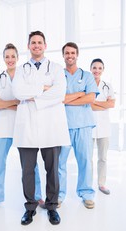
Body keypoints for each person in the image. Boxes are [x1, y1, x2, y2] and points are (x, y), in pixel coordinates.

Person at [13, 31, 70, 225]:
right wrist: (44, 88)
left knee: (52, 170)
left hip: (51, 126)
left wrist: (32, 95)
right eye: (33, 43)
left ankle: (52, 207)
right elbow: (18, 91)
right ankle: (30, 207)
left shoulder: (55, 68)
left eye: (39, 42)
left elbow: (60, 92)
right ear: (28, 46)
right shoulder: (21, 69)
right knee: (27, 170)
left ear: (45, 45)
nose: (36, 45)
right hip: (27, 126)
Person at [0, 43, 43, 213]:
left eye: (13, 56)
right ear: (3, 59)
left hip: (23, 125)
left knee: (30, 165)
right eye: (7, 56)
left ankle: (37, 195)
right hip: (1, 127)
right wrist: (14, 102)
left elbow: (32, 98)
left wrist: (3, 103)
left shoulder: (25, 76)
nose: (10, 59)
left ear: (17, 58)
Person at [58, 42, 99, 209]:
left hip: (83, 125)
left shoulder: (87, 75)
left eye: (72, 53)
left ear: (77, 54)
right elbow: (58, 98)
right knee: (60, 163)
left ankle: (87, 193)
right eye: (67, 53)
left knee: (85, 161)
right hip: (63, 125)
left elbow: (91, 99)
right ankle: (59, 194)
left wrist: (69, 98)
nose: (70, 55)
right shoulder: (59, 76)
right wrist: (80, 94)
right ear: (63, 55)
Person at [90, 58, 115, 195]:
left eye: (100, 68)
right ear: (91, 69)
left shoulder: (108, 85)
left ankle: (102, 184)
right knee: (88, 158)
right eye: (94, 68)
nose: (97, 70)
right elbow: (87, 104)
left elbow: (111, 104)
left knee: (103, 157)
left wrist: (96, 104)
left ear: (103, 70)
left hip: (104, 127)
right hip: (89, 126)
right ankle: (88, 185)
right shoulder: (87, 85)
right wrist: (103, 104)